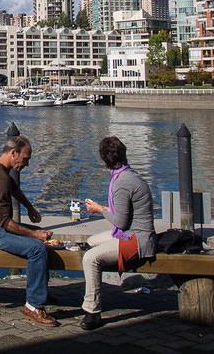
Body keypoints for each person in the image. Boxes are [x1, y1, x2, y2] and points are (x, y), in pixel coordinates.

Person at [0, 135, 58, 327]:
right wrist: (34, 234)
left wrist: (29, 207)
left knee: (43, 237)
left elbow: (14, 188)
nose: (26, 164)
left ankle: (39, 290)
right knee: (37, 248)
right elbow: (4, 223)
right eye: (25, 159)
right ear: (13, 153)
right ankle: (34, 306)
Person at [80, 135, 156, 330]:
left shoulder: (122, 183)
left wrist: (100, 210)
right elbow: (123, 215)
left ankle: (92, 310)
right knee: (90, 241)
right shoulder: (128, 175)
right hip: (133, 232)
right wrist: (103, 208)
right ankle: (94, 284)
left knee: (90, 258)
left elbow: (120, 222)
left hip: (137, 239)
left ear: (104, 159)